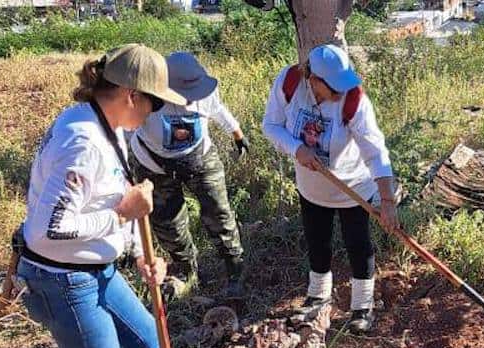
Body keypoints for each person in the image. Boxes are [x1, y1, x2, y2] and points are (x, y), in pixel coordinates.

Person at [14, 44, 195, 348]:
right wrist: (120, 216)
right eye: (153, 102)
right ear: (132, 94)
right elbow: (44, 230)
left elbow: (115, 194)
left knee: (146, 339)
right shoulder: (82, 141)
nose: (154, 114)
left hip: (99, 270)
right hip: (63, 279)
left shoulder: (106, 127)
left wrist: (136, 251)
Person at [262, 44, 399, 333]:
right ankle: (318, 297)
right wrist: (297, 148)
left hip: (353, 187)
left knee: (358, 245)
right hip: (312, 188)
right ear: (312, 79)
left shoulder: (354, 100)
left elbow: (375, 151)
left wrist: (386, 199)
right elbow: (271, 125)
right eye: (332, 87)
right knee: (317, 241)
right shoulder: (289, 83)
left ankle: (362, 306)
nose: (339, 93)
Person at [131, 51, 249, 302]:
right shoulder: (146, 98)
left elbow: (218, 110)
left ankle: (235, 269)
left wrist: (237, 133)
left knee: (219, 213)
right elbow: (124, 128)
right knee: (168, 222)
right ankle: (186, 272)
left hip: (200, 158)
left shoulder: (205, 92)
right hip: (154, 166)